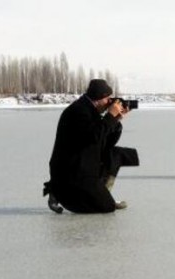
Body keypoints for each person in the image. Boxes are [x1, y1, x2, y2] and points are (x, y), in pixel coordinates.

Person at [42, 79, 139, 214]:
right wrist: (110, 116)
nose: (110, 103)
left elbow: (106, 143)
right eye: (108, 99)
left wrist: (115, 120)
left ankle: (100, 193)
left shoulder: (90, 110)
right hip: (71, 173)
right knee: (107, 207)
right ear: (98, 99)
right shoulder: (78, 112)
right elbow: (93, 137)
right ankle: (59, 192)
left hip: (83, 165)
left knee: (117, 154)